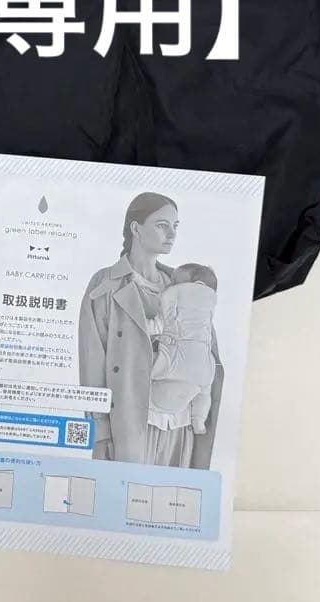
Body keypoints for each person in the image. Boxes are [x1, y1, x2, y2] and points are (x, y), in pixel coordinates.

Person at [78, 193, 222, 469]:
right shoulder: (106, 282)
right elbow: (92, 357)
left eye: (175, 226)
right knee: (123, 492)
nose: (171, 234)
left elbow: (203, 345)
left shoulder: (185, 283)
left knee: (174, 495)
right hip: (131, 424)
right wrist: (101, 429)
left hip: (182, 427)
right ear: (136, 228)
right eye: (161, 225)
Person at [149, 264, 219, 436]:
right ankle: (198, 419)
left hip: (170, 365)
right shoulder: (206, 312)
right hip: (203, 367)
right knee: (204, 393)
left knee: (141, 363)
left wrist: (137, 325)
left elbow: (156, 325)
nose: (170, 284)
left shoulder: (177, 304)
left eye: (174, 282)